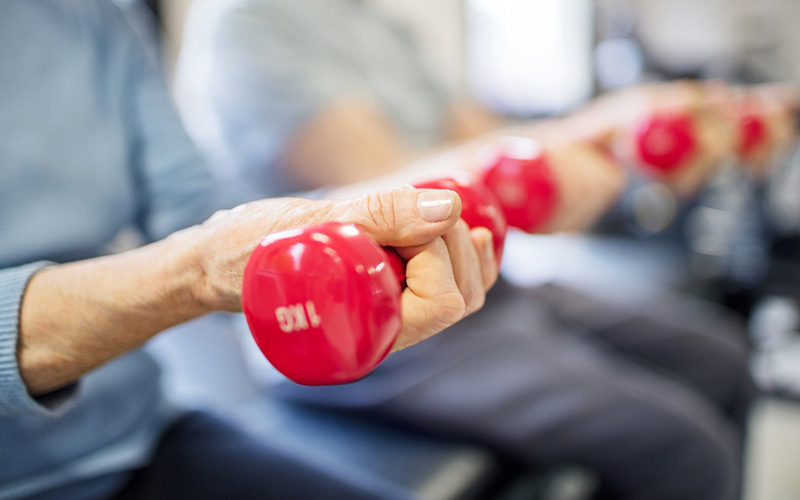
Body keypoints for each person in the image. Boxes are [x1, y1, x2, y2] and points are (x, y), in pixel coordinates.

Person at [176, 0, 758, 498]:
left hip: (474, 283)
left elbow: (480, 139)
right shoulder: (254, 21)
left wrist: (616, 141)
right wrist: (592, 128)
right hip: (368, 335)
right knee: (686, 450)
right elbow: (389, 201)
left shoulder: (374, 22)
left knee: (721, 358)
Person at [0, 2, 498, 499]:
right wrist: (198, 273)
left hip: (136, 434)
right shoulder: (250, 20)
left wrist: (357, 232)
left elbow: (194, 213)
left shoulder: (95, 14)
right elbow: (203, 257)